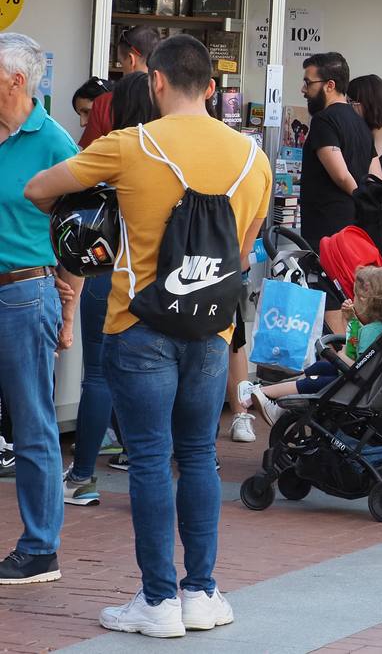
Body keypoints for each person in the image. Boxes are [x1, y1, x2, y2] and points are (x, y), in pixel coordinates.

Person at [27, 33, 272, 633]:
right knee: (199, 456)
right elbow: (242, 252)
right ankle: (202, 592)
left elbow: (38, 190)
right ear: (211, 88)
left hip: (138, 323)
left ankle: (158, 600)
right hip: (212, 330)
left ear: (155, 82)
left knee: (150, 460)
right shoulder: (253, 158)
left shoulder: (128, 145)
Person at [0, 33, 81, 585]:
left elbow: (84, 232)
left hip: (24, 294)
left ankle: (40, 548)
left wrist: (67, 305)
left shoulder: (54, 144)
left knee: (32, 423)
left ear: (15, 80)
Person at [61, 72, 160, 502]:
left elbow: (49, 191)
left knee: (98, 375)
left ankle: (82, 476)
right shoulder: (166, 151)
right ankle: (149, 472)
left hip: (107, 270)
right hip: (160, 277)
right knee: (153, 374)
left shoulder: (112, 149)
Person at [238, 266, 382, 427]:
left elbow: (361, 367)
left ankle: (266, 395)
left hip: (357, 385)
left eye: (355, 296)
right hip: (364, 382)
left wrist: (340, 356)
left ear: (364, 300)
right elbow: (361, 350)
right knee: (320, 367)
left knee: (314, 382)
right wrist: (352, 321)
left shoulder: (371, 332)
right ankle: (265, 393)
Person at [300, 52, 372, 252]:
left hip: (327, 228)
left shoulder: (323, 120)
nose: (303, 90)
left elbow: (341, 175)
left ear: (329, 85)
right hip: (352, 225)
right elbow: (373, 170)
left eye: (308, 83)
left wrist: (360, 198)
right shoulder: (360, 122)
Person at [79, 26, 160, 147]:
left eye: (122, 64)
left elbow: (88, 154)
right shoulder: (170, 101)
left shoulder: (105, 103)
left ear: (132, 60)